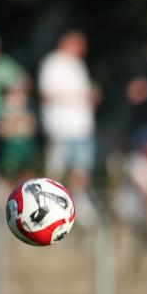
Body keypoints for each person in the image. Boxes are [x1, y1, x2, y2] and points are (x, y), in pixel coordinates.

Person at [38, 30, 98, 224]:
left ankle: (77, 210)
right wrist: (75, 97)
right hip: (61, 128)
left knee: (80, 171)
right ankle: (48, 212)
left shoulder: (78, 65)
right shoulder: (52, 63)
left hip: (81, 127)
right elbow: (47, 93)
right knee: (56, 173)